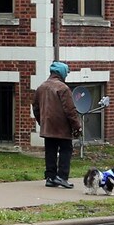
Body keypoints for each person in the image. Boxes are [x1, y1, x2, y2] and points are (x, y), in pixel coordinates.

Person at [33, 61, 79, 189]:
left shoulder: (41, 87)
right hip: (62, 127)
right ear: (62, 73)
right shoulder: (63, 88)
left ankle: (50, 177)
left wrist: (41, 122)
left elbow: (35, 108)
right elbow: (70, 110)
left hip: (47, 126)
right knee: (66, 150)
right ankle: (62, 177)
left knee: (50, 151)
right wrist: (77, 126)